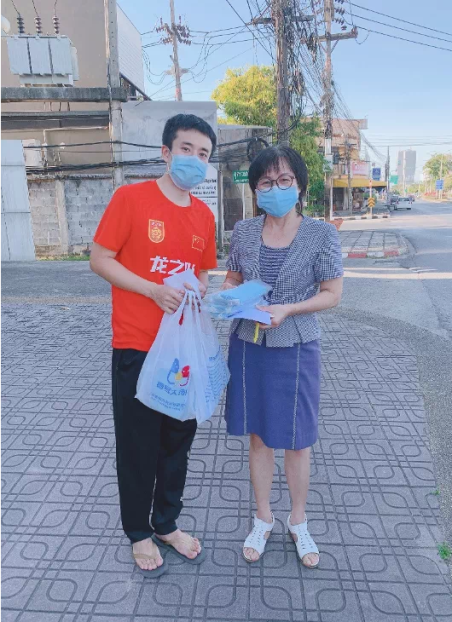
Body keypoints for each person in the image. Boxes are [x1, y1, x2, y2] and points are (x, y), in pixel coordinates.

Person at [90, 114, 218, 577]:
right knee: (137, 444)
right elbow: (100, 259)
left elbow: (202, 272)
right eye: (187, 149)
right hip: (137, 345)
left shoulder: (204, 215)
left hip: (183, 350)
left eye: (203, 154)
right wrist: (152, 290)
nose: (194, 160)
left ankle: (165, 523)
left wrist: (200, 287)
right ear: (166, 152)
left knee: (178, 441)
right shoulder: (131, 199)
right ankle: (138, 532)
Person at [222, 146, 344, 569]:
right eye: (266, 182)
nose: (276, 188)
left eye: (285, 180)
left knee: (297, 439)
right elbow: (233, 278)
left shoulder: (321, 234)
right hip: (248, 343)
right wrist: (230, 296)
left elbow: (332, 294)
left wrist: (289, 309)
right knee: (258, 436)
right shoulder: (243, 231)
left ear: (300, 185)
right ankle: (263, 518)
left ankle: (298, 519)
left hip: (296, 346)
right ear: (256, 190)